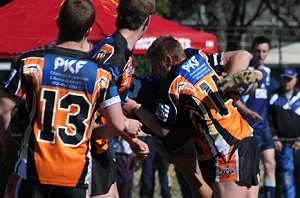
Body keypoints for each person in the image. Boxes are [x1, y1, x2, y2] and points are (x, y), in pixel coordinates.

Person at [0, 1, 142, 197]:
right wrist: (91, 133)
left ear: (58, 22)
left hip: (32, 170)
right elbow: (118, 124)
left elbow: (3, 109)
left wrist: (7, 142)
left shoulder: (31, 62)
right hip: (75, 175)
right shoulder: (101, 74)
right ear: (89, 30)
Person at [124, 36, 262, 198]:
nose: (155, 73)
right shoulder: (199, 57)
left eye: (155, 66)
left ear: (168, 60)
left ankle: (232, 85)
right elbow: (244, 54)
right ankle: (232, 85)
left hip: (228, 148)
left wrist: (136, 107)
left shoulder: (172, 85)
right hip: (246, 136)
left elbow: (162, 129)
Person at [89, 0, 155, 197]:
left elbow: (107, 106)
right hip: (89, 146)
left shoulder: (117, 49)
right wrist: (125, 123)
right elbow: (92, 100)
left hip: (101, 143)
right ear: (147, 20)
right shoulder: (115, 55)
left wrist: (129, 139)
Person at [235, 36, 276, 198]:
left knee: (271, 164)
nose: (261, 54)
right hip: (248, 128)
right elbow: (233, 97)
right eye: (258, 51)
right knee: (254, 168)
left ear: (268, 52)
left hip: (264, 126)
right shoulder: (246, 74)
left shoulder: (269, 73)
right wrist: (247, 112)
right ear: (252, 51)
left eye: (264, 51)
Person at [129, 74, 172, 198]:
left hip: (162, 137)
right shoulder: (147, 83)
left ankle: (166, 195)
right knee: (147, 172)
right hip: (149, 137)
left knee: (164, 173)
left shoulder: (167, 84)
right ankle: (146, 195)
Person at [268, 67, 300, 198]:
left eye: (290, 79)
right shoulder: (273, 98)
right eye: (284, 79)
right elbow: (269, 121)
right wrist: (275, 137)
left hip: (298, 143)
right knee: (285, 175)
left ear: (295, 80)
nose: (287, 82)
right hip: (281, 144)